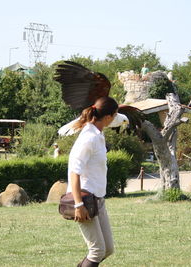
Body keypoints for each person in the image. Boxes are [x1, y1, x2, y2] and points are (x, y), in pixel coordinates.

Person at [67, 96, 118, 267]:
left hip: (98, 199)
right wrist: (78, 205)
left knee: (108, 249)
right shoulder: (88, 138)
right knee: (97, 250)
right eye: (116, 115)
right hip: (85, 200)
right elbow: (74, 173)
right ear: (109, 117)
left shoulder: (98, 135)